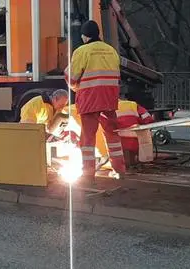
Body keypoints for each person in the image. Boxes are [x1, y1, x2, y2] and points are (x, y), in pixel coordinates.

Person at [64, 20, 126, 181]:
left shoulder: (82, 51)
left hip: (90, 100)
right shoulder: (111, 50)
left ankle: (88, 172)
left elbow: (72, 77)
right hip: (109, 99)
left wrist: (73, 84)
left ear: (84, 36)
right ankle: (119, 169)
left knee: (88, 137)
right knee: (112, 135)